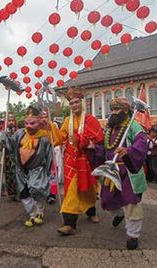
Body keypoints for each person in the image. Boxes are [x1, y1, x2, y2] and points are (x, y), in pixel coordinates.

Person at [96, 97, 148, 249]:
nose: (113, 113)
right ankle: (119, 214)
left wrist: (128, 151)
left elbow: (142, 143)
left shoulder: (134, 126)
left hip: (129, 171)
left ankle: (133, 235)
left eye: (116, 109)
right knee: (107, 201)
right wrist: (94, 148)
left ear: (125, 111)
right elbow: (104, 149)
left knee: (132, 203)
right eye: (111, 110)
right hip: (111, 170)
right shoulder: (109, 129)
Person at [57, 87, 104, 236]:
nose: (74, 105)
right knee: (71, 189)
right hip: (70, 159)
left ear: (81, 103)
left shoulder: (90, 119)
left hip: (86, 158)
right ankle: (69, 224)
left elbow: (100, 139)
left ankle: (91, 211)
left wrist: (85, 142)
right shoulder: (66, 121)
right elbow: (60, 138)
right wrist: (49, 128)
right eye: (71, 103)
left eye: (76, 102)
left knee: (88, 188)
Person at [2, 106, 52, 227]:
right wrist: (5, 139)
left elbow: (49, 156)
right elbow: (10, 146)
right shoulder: (19, 133)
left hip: (37, 169)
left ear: (38, 122)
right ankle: (33, 214)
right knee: (24, 193)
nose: (29, 126)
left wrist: (48, 172)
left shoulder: (44, 137)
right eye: (26, 123)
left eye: (32, 123)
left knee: (37, 190)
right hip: (20, 169)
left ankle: (40, 211)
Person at [39, 110, 62, 204]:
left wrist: (51, 145)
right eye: (42, 117)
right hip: (41, 155)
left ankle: (52, 194)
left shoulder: (52, 126)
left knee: (53, 173)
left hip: (52, 153)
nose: (44, 119)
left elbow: (58, 139)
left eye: (46, 117)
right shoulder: (38, 127)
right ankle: (44, 192)